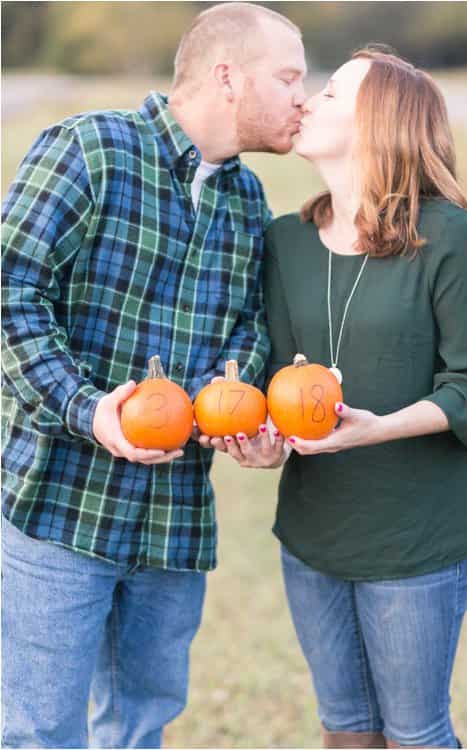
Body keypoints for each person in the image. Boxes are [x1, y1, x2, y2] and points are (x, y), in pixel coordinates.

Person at [0, 4, 306, 747]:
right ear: (228, 77)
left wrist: (249, 421)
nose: (304, 95)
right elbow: (11, 291)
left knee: (141, 727)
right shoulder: (93, 151)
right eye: (290, 76)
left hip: (173, 524)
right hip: (58, 510)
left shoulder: (247, 200)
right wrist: (87, 407)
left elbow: (244, 338)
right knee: (41, 733)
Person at [214, 48, 467, 748]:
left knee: (413, 733)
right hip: (313, 536)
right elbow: (285, 382)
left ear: (381, 123)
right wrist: (264, 442)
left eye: (334, 93)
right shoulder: (286, 242)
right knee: (344, 731)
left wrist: (374, 429)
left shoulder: (448, 240)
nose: (308, 100)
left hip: (414, 541)